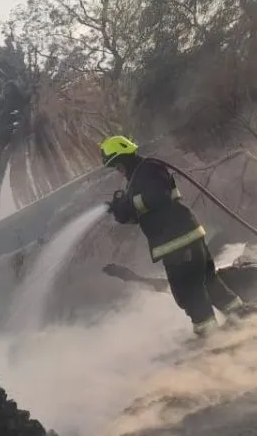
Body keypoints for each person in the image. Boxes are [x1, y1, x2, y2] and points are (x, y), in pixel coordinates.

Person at [99, 135, 248, 336]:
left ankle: (211, 336)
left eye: (117, 165)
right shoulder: (137, 178)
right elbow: (143, 211)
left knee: (188, 291)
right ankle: (243, 317)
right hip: (183, 238)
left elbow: (159, 198)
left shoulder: (148, 169)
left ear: (124, 158)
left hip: (178, 242)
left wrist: (129, 204)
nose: (118, 170)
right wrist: (121, 212)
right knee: (208, 283)